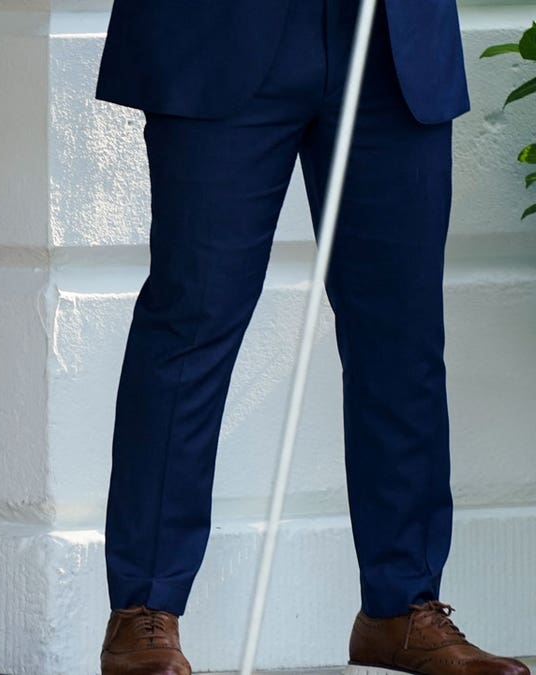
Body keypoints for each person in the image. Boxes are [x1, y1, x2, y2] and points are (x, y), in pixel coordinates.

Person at [96, 1, 532, 674]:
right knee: (193, 319)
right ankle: (142, 611)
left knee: (402, 332)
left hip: (393, 40)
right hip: (219, 35)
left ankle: (401, 608)